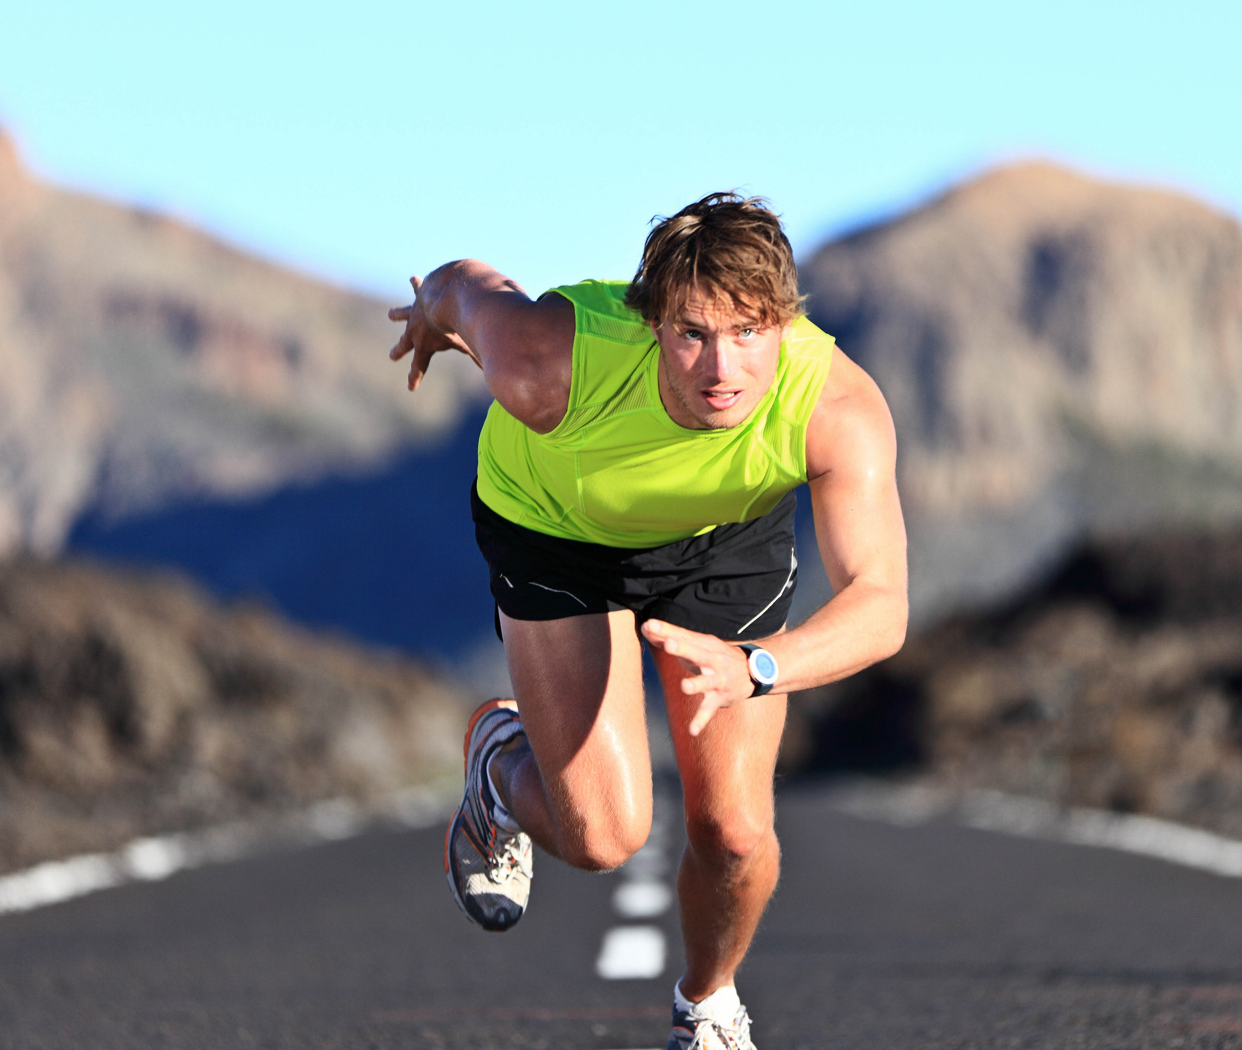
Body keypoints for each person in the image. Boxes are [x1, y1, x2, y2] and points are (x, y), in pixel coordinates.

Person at [388, 193, 907, 1050]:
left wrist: (759, 667)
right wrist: (432, 312)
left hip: (721, 542)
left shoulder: (835, 408)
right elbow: (465, 289)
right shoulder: (544, 360)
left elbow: (882, 603)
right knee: (602, 837)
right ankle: (501, 762)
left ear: (787, 323)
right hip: (553, 527)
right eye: (693, 332)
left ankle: (708, 1006)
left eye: (748, 332)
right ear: (651, 323)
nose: (721, 368)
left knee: (736, 833)